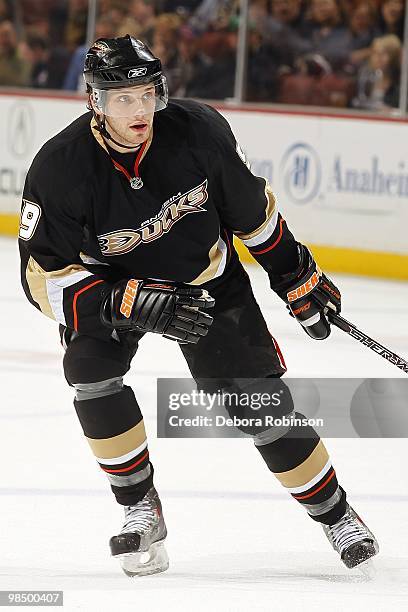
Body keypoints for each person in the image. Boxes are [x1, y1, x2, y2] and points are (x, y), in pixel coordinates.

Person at [18, 35, 379, 577]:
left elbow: (253, 216)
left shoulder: (198, 131)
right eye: (123, 98)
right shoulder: (59, 169)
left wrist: (295, 274)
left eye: (147, 94)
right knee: (89, 373)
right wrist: (118, 301)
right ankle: (140, 508)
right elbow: (40, 275)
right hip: (116, 291)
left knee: (255, 401)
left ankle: (335, 514)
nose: (140, 110)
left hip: (204, 277)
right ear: (94, 100)